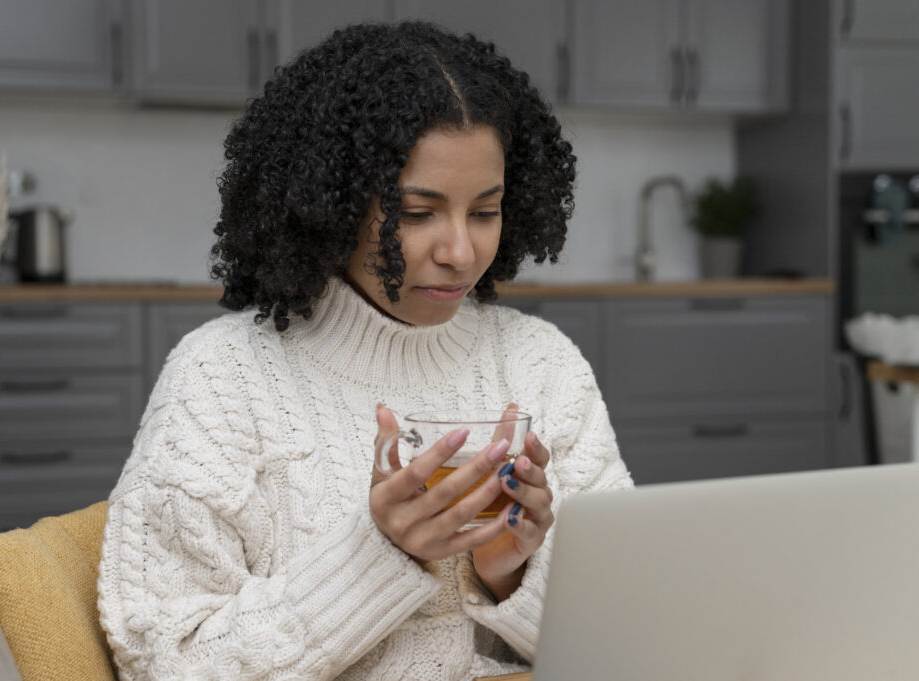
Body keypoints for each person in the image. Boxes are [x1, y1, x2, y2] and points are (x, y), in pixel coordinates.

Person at [97, 20, 632, 681]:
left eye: (485, 211)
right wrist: (380, 555)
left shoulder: (542, 364)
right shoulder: (223, 377)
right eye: (416, 211)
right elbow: (161, 662)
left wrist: (510, 573)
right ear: (331, 203)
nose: (460, 251)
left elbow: (637, 635)